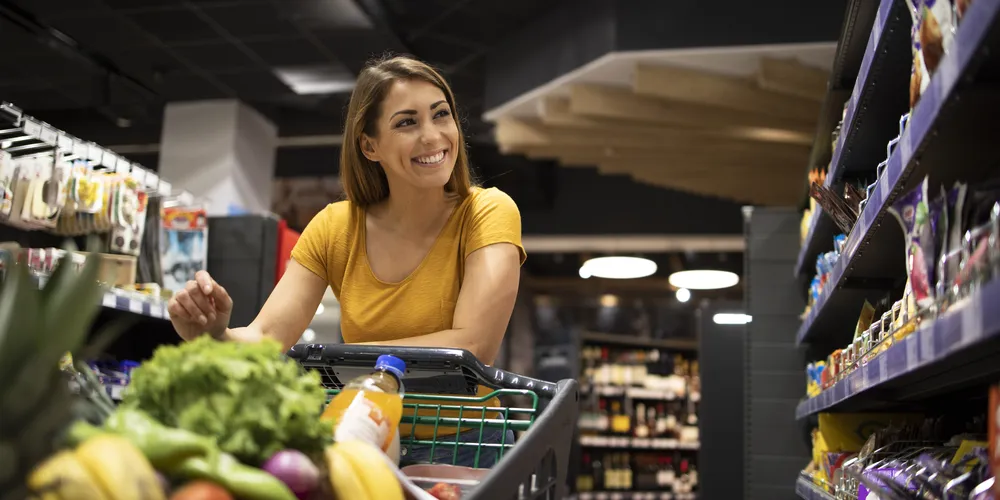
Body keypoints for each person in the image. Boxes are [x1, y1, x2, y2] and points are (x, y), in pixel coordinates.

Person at [167, 55, 525, 469]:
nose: (432, 136)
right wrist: (214, 335)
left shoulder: (488, 211)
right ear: (369, 145)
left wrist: (333, 360)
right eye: (406, 122)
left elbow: (472, 346)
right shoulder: (335, 227)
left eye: (440, 115)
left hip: (467, 443)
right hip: (364, 436)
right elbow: (266, 335)